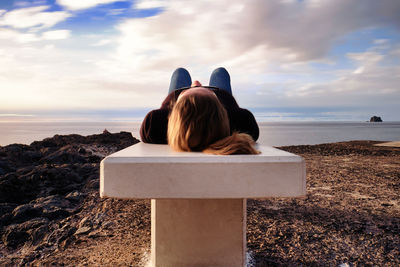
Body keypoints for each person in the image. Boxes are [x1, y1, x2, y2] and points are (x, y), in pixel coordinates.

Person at [140, 67, 260, 155]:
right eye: (207, 90)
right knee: (219, 72)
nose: (197, 83)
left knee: (180, 72)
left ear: (174, 109)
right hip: (223, 101)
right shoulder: (241, 121)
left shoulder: (154, 124)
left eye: (186, 91)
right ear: (221, 106)